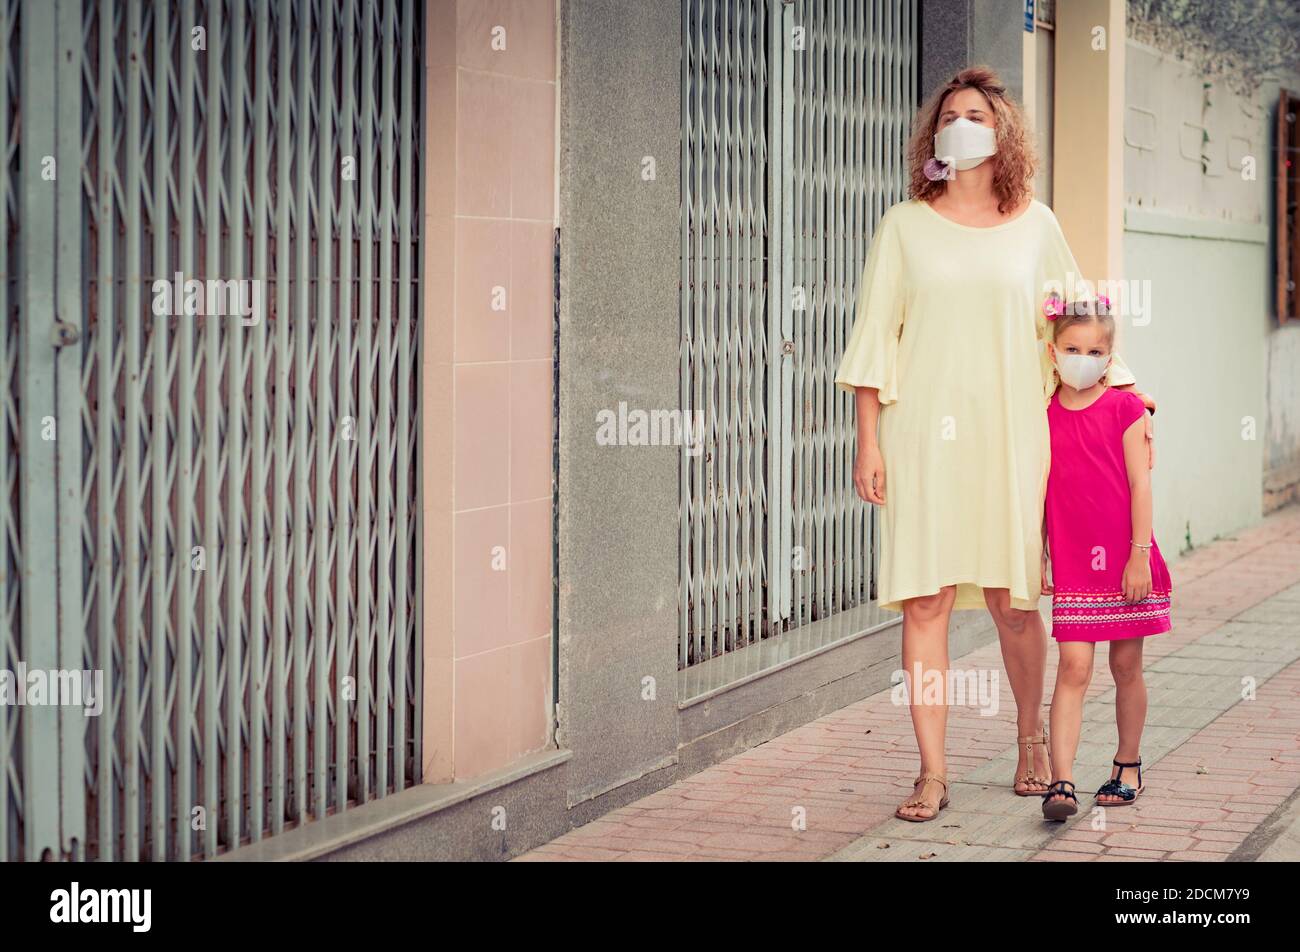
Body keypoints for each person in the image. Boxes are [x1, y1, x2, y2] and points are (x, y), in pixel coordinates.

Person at [834, 66, 1154, 822]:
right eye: (951, 113)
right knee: (927, 600)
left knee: (1017, 603)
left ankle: (1029, 741)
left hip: (1015, 437)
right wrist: (868, 443)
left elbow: (1079, 321)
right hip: (923, 439)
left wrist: (1131, 400)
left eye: (977, 112)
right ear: (935, 134)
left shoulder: (1036, 225)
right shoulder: (903, 225)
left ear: (1002, 129)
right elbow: (875, 341)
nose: (962, 122)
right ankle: (933, 772)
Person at [1038, 294, 1172, 820]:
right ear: (1053, 353)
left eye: (1095, 350)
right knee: (1072, 666)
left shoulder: (1126, 409)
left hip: (1124, 559)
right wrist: (1042, 554)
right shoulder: (1043, 414)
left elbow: (1141, 486)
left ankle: (1128, 764)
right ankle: (1061, 783)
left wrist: (1139, 555)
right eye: (1072, 347)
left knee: (1125, 664)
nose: (1082, 357)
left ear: (1110, 356)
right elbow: (1044, 493)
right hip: (1073, 560)